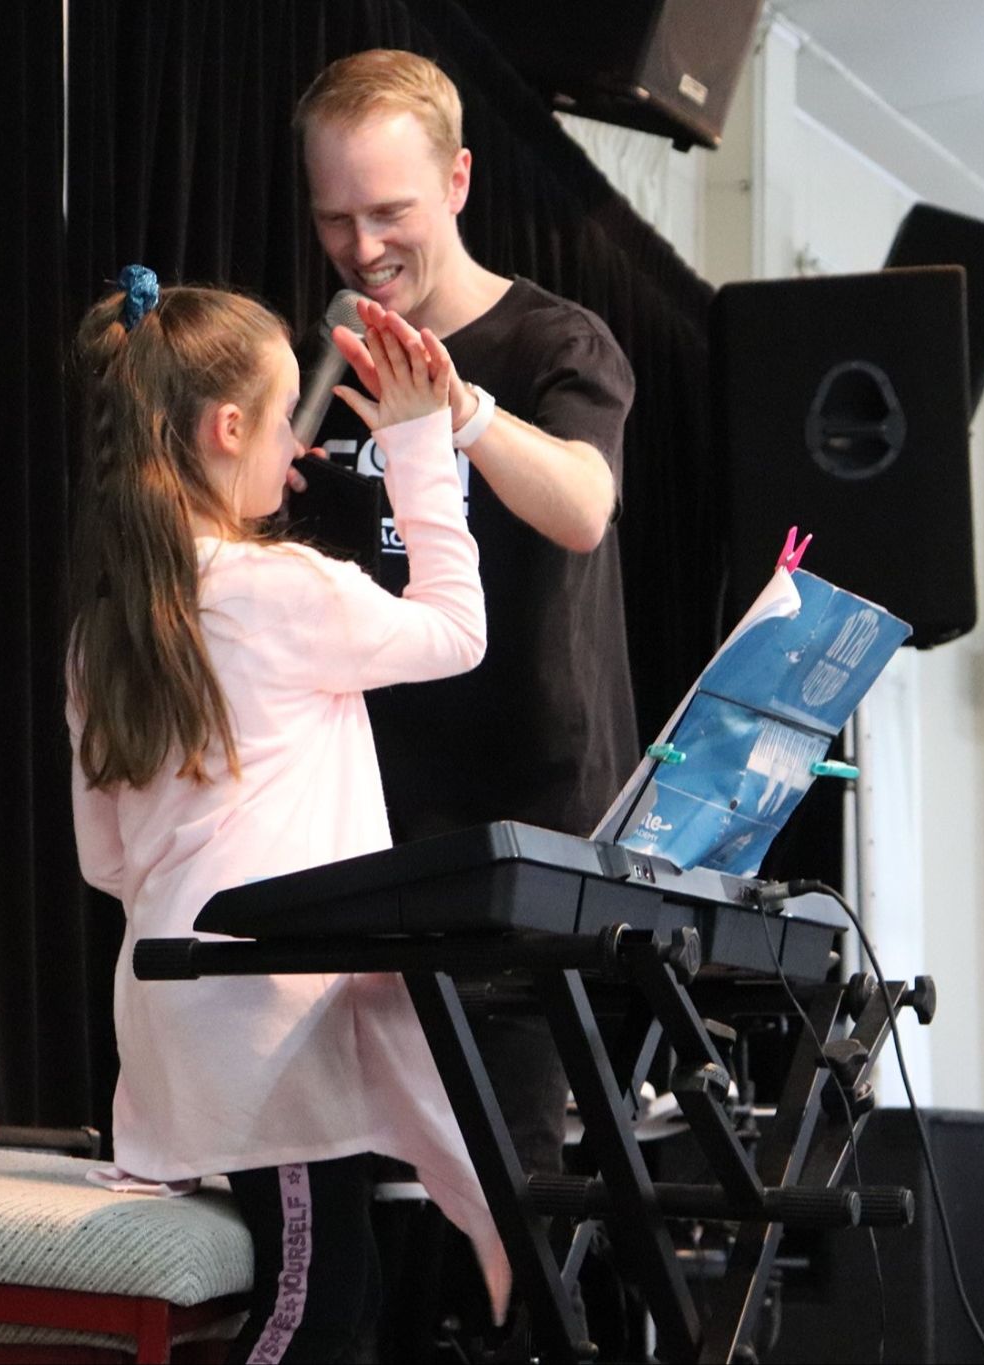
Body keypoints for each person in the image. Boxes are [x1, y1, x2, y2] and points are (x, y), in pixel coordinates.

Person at [66, 264, 509, 1362]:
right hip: (265, 1018)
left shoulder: (103, 629)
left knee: (332, 1290)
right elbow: (457, 630)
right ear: (226, 429)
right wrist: (419, 443)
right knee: (313, 1304)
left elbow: (106, 861)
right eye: (277, 425)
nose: (291, 449)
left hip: (173, 1015)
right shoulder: (282, 589)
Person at [296, 48, 639, 1181]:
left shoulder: (556, 345)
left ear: (456, 182)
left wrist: (465, 415)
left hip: (521, 837)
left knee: (501, 1190)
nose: (362, 248)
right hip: (360, 834)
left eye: (388, 211)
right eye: (335, 218)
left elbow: (582, 507)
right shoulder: (324, 356)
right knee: (352, 1190)